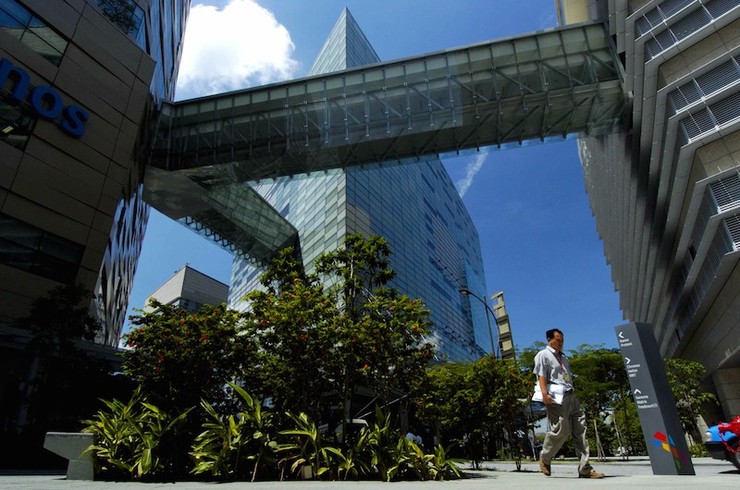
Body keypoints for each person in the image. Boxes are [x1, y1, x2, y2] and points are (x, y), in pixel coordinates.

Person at [533, 328, 604, 479]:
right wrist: (544, 394)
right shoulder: (543, 355)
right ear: (549, 339)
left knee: (581, 430)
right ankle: (545, 458)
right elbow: (541, 375)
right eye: (558, 340)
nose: (561, 343)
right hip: (556, 398)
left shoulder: (564, 358)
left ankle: (585, 469)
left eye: (562, 340)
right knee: (561, 430)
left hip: (572, 396)